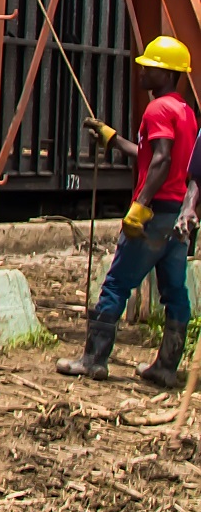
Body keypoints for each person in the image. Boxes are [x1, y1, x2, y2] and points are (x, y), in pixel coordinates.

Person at [59, 35, 201, 386]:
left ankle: (93, 360)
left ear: (166, 74)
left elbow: (162, 161)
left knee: (116, 285)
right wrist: (114, 139)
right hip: (176, 218)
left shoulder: (158, 110)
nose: (141, 70)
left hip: (152, 215)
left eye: (149, 66)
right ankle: (166, 368)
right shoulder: (185, 112)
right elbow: (157, 156)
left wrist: (141, 205)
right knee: (175, 293)